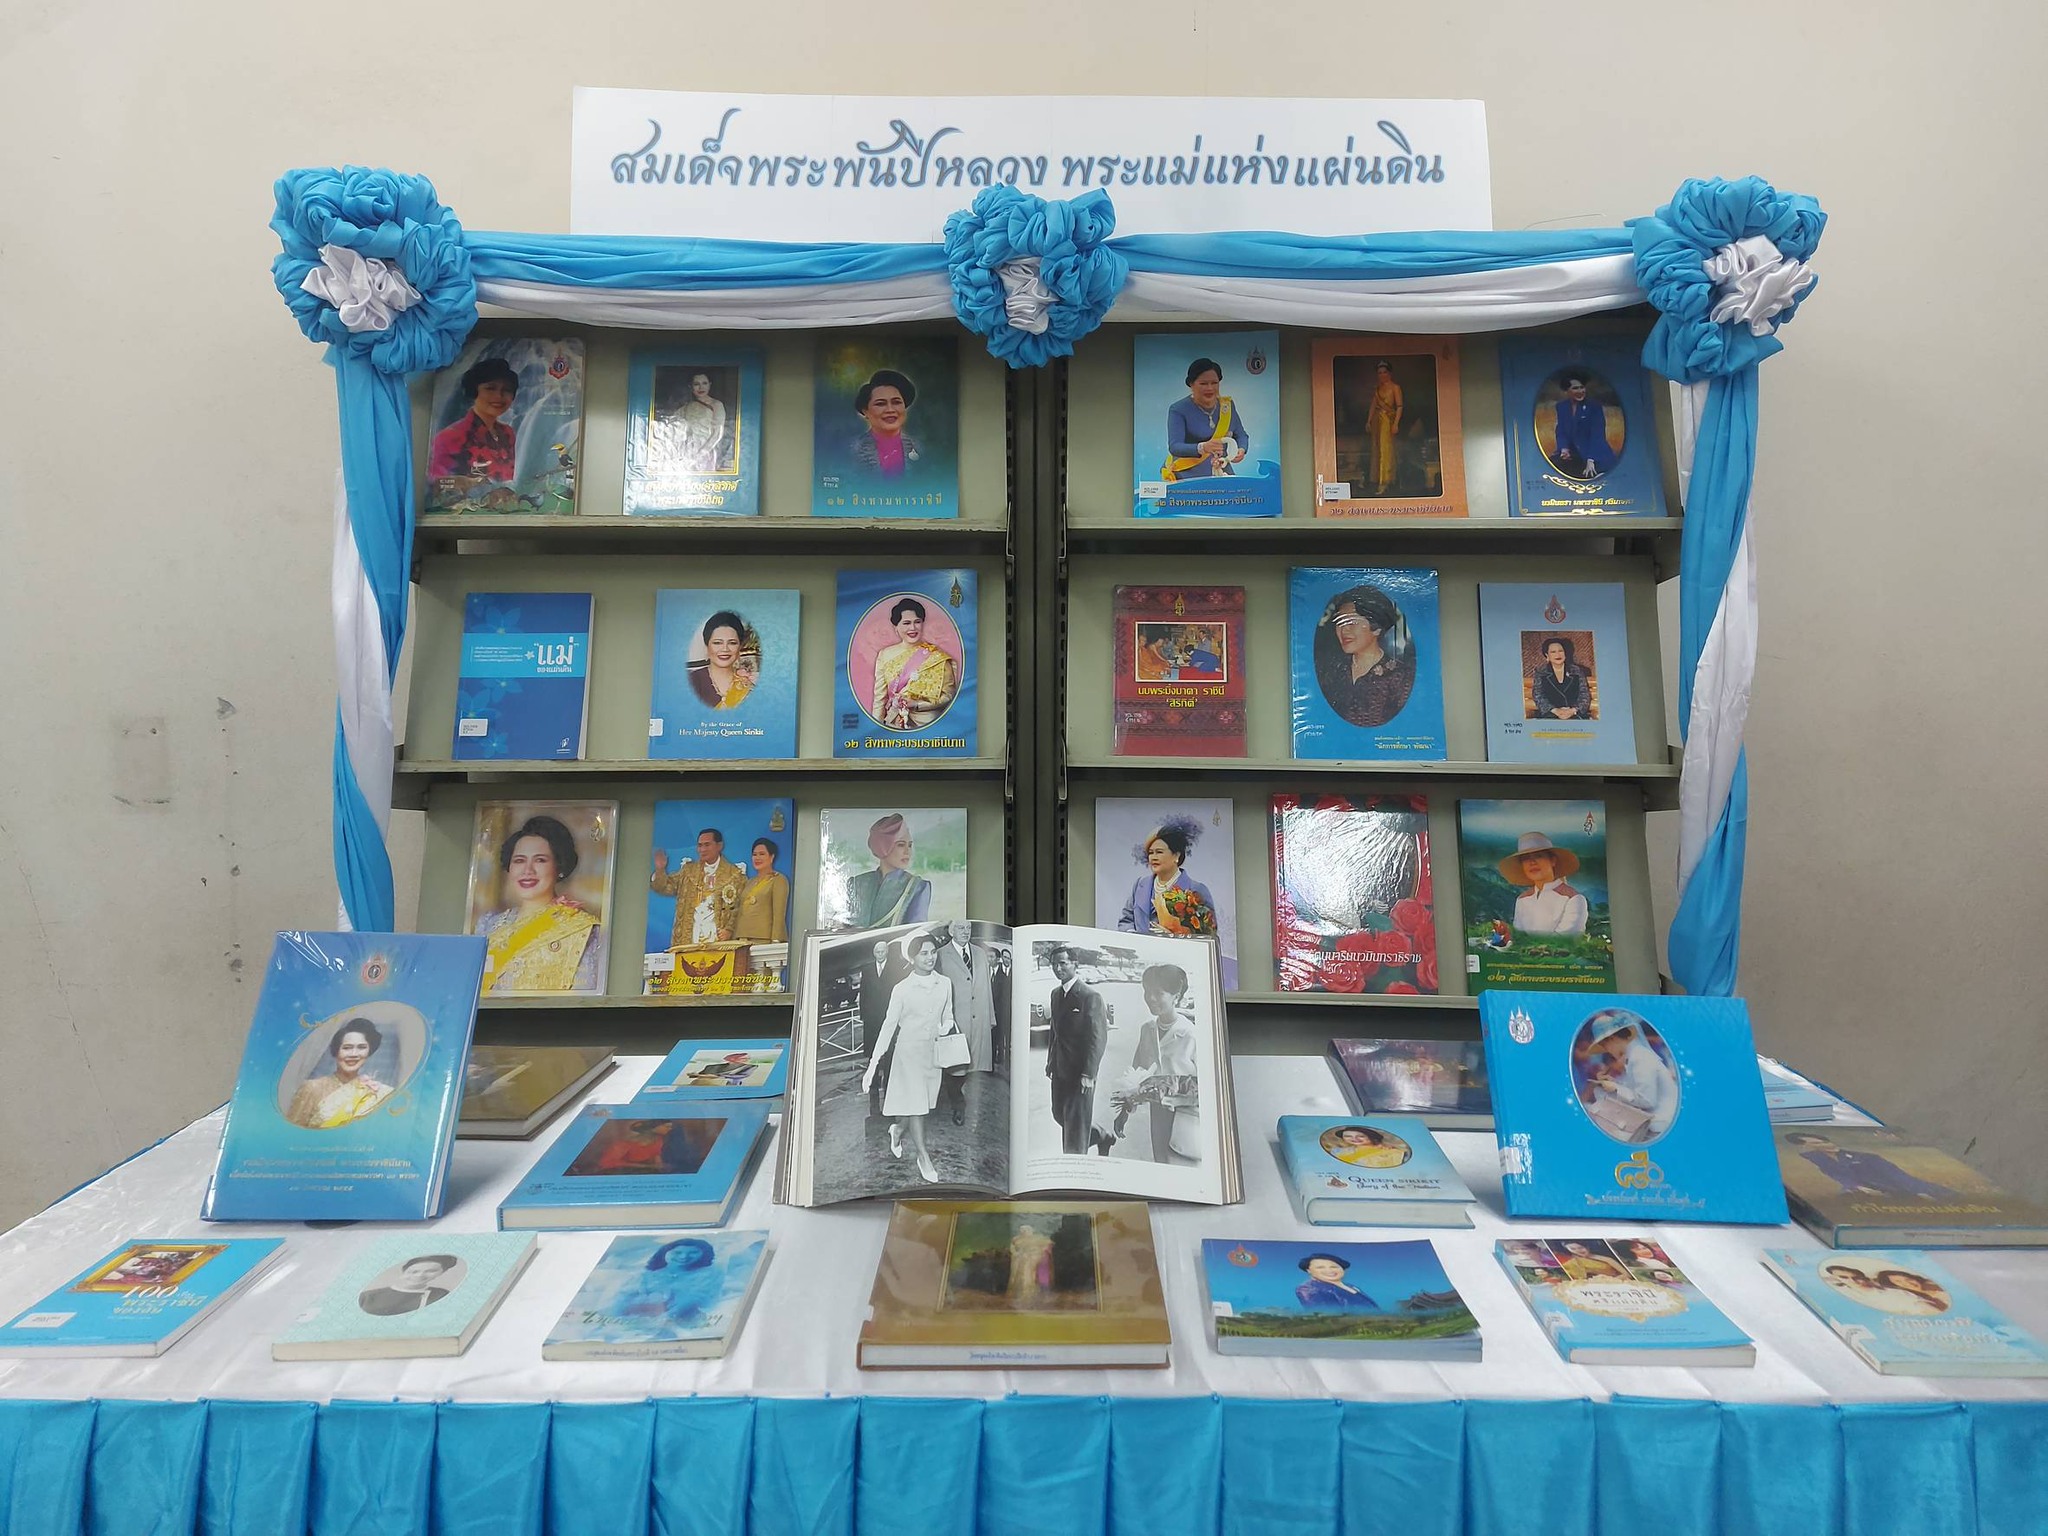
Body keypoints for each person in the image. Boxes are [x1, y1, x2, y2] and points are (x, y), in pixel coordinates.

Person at [861, 934, 957, 1183]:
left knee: (919, 1106)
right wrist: (873, 1064)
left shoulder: (945, 983)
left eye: (933, 952)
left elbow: (948, 1014)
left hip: (932, 1054)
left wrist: (946, 1026)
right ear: (912, 958)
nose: (930, 957)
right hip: (908, 1054)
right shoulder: (901, 989)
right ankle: (923, 1157)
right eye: (924, 953)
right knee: (917, 1107)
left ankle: (897, 1130)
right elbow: (888, 1026)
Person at [475, 814, 603, 993]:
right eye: (519, 861)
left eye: (540, 860)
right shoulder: (487, 925)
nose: (528, 870)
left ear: (559, 867)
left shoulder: (582, 929)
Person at [1105, 962, 1200, 1164]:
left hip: (1186, 1116)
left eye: (1158, 993)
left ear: (1176, 996)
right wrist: (1124, 1111)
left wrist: (1174, 1093)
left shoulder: (1192, 1035)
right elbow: (1137, 1074)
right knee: (1161, 1163)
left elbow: (1208, 1088)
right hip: (1158, 1116)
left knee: (1183, 1166)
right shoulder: (1147, 1030)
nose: (1151, 998)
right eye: (1147, 991)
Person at [1312, 585, 1416, 728]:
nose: (1344, 630)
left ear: (1377, 628)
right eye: (1339, 622)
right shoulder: (1330, 670)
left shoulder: (1400, 677)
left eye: (1352, 622)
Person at [1045, 947, 1107, 1155]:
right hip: (1059, 1069)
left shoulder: (1090, 996)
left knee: (1074, 1126)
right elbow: (1054, 1032)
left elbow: (1097, 1038)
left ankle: (1074, 1166)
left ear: (1075, 964)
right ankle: (1100, 1135)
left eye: (1063, 963)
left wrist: (1089, 1074)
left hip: (1079, 1072)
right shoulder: (1056, 994)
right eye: (1054, 964)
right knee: (1059, 1115)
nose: (1058, 968)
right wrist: (1050, 1062)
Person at [1584, 1013, 1681, 1141]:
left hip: (1661, 1126)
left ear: (1612, 1039)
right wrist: (1613, 1083)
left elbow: (1646, 1100)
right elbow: (1636, 1091)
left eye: (1605, 1046)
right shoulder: (1634, 1056)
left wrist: (1616, 1088)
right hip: (1656, 1124)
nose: (1608, 1052)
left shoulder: (1639, 1057)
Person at [936, 920, 996, 1125]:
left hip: (978, 1018)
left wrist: (991, 1018)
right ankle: (958, 1105)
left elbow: (986, 987)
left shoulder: (979, 953)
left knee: (974, 1066)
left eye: (968, 928)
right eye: (961, 928)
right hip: (955, 1020)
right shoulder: (941, 955)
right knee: (955, 1067)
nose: (965, 932)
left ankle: (962, 1098)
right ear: (951, 931)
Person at [1116, 822, 1218, 941]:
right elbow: (1126, 921)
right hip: (1142, 950)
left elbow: (1208, 935)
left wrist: (1172, 936)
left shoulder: (1196, 889)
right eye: (1151, 853)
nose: (1153, 857)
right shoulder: (1140, 885)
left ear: (1176, 856)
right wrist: (1134, 937)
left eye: (1159, 852)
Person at [286, 1019, 396, 1128]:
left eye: (361, 1047)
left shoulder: (380, 1092)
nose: (354, 1054)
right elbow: (291, 1132)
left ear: (369, 1051)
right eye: (347, 1048)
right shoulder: (312, 1088)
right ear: (336, 1051)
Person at [870, 598, 959, 731]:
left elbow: (949, 696)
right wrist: (875, 729)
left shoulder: (937, 656)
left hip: (928, 725)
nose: (912, 628)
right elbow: (879, 699)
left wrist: (917, 705)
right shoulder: (885, 655)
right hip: (893, 722)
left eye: (917, 622)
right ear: (896, 627)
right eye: (906, 623)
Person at [1783, 1132, 1958, 1200]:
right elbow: (1840, 1177)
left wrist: (1919, 1193)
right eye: (1815, 1145)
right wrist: (1856, 1187)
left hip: (1898, 1190)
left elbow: (1903, 1180)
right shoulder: (1822, 1162)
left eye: (1823, 1142)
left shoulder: (1867, 1158)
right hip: (1867, 1193)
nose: (1825, 1146)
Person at [429, 356, 519, 484]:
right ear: (473, 391)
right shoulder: (449, 438)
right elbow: (436, 485)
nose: (499, 395)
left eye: (507, 390)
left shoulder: (508, 433)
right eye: (490, 388)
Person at [651, 828, 746, 949]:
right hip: (689, 938)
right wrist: (660, 869)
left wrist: (729, 929)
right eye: (700, 845)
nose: (702, 849)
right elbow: (664, 887)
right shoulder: (688, 871)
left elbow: (740, 907)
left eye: (707, 845)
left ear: (719, 846)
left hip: (718, 940)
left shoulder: (734, 875)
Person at [1161, 356, 1249, 481]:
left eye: (1214, 383)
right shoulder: (1178, 409)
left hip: (1220, 470)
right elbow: (1175, 446)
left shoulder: (1227, 406)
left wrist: (1241, 450)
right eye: (1203, 384)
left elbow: (1241, 435)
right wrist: (1203, 447)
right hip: (1188, 474)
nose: (1210, 388)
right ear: (1191, 384)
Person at [841, 813, 932, 929]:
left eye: (909, 845)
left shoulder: (917, 887)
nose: (907, 851)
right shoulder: (856, 884)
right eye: (901, 845)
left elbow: (914, 933)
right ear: (882, 846)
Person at [858, 937, 911, 1116]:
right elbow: (863, 993)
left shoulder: (895, 968)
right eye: (877, 952)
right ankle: (873, 1085)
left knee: (889, 1053)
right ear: (874, 954)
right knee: (873, 1054)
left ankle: (888, 1084)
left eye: (882, 951)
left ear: (887, 952)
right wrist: (863, 1015)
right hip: (872, 1021)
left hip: (890, 1017)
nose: (880, 954)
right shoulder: (867, 970)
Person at [1500, 832, 1589, 937]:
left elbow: (1565, 939)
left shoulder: (1573, 899)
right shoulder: (1522, 900)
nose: (1532, 862)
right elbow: (1519, 937)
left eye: (1538, 856)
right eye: (1526, 858)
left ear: (1553, 861)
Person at [848, 369, 924, 479]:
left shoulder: (920, 448)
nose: (890, 410)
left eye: (896, 402)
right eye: (880, 404)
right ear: (865, 411)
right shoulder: (852, 451)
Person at [687, 610, 756, 711]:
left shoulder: (748, 688)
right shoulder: (692, 681)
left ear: (739, 647)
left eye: (732, 643)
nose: (725, 649)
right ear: (707, 646)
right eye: (717, 643)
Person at [1549, 372, 1611, 478]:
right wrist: (1564, 448)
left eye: (1582, 387)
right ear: (1567, 391)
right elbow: (1561, 430)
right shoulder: (1562, 407)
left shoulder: (1594, 407)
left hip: (1594, 453)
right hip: (1574, 454)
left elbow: (1598, 435)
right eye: (1575, 388)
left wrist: (1591, 460)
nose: (1580, 391)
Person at [358, 1255, 458, 1316]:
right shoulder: (369, 1296)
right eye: (414, 1271)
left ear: (441, 1273)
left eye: (431, 1271)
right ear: (404, 1271)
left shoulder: (441, 1293)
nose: (420, 1275)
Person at [734, 837, 790, 945]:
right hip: (742, 939)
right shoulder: (749, 882)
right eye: (754, 855)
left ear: (772, 857)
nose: (757, 858)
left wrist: (776, 940)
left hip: (763, 939)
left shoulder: (778, 880)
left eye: (762, 854)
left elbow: (779, 914)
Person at [670, 371, 729, 473]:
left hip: (707, 450)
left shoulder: (716, 405)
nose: (701, 388)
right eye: (696, 384)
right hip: (687, 451)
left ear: (709, 385)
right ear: (690, 386)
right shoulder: (685, 408)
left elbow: (717, 433)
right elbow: (673, 427)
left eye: (704, 383)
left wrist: (701, 454)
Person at [1530, 636, 1593, 721]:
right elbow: (1538, 695)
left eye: (1560, 651)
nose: (1558, 654)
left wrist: (1573, 710)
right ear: (1547, 655)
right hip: (1550, 715)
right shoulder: (1540, 672)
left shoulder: (1577, 671)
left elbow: (1584, 695)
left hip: (1575, 714)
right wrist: (1556, 711)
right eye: (1553, 652)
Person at [1364, 360, 1402, 494]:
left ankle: (1385, 481)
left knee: (1386, 451)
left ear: (1389, 373)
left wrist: (1396, 423)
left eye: (1384, 372)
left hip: (1388, 421)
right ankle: (1375, 479)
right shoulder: (1378, 389)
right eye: (1379, 373)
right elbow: (1373, 405)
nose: (1382, 375)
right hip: (1377, 421)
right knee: (1377, 449)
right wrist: (1368, 421)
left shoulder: (1395, 388)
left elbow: (1399, 406)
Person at [1295, 1252, 1376, 1309]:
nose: (1329, 1271)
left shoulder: (1350, 1286)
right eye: (1320, 1267)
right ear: (1308, 1270)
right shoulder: (1309, 1289)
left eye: (1334, 1267)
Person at [1007, 1222, 1055, 1307]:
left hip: (1032, 1262)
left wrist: (1037, 1254)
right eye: (1022, 1230)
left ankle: (1032, 1297)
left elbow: (1048, 1245)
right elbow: (1013, 1249)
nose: (1024, 1232)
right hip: (1020, 1263)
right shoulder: (1016, 1239)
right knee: (1021, 1279)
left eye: (1026, 1230)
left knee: (1031, 1278)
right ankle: (1021, 1297)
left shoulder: (1038, 1238)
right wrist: (1018, 1255)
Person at [1322, 1125, 1407, 1169]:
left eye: (1361, 1136)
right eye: (1348, 1136)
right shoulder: (1338, 1152)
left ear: (1371, 1137)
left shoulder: (1391, 1152)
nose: (1354, 1139)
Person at [1875, 1268, 1952, 1314]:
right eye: (1899, 1282)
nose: (1909, 1283)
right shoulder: (1918, 1302)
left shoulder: (1936, 1284)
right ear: (1895, 1286)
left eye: (1907, 1279)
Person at [1557, 1241, 1629, 1282]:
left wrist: (1607, 1282)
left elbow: (1626, 1274)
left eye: (1580, 1247)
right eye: (1573, 1249)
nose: (1578, 1251)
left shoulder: (1606, 1259)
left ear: (1587, 1247)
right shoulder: (1572, 1262)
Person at [990, 946, 1012, 1071]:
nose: (1006, 960)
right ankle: (996, 1060)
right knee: (995, 1037)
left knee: (1005, 1037)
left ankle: (1005, 1061)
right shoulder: (992, 972)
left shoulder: (1006, 975)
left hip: (1005, 1011)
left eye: (1008, 958)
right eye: (1004, 957)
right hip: (994, 1011)